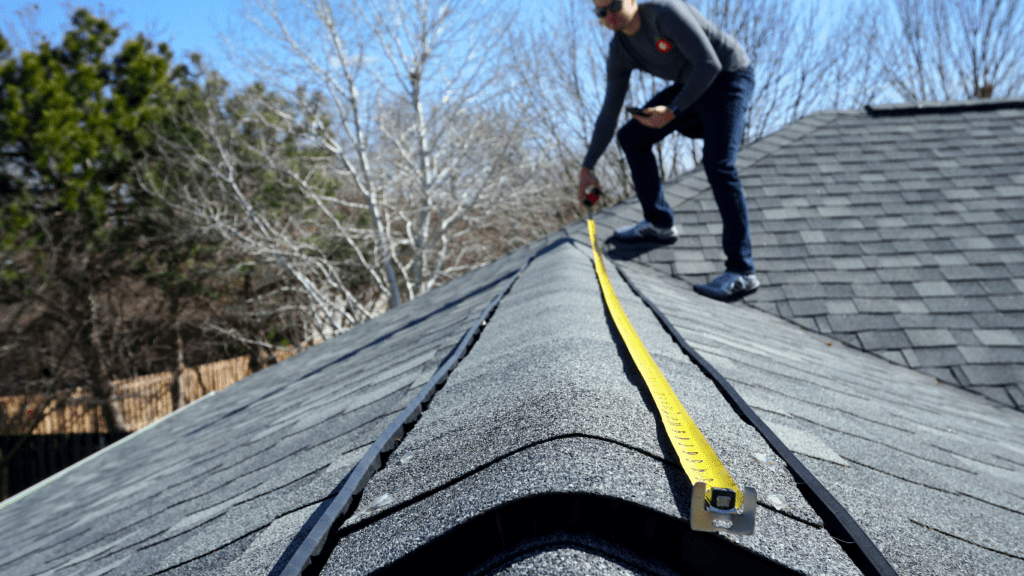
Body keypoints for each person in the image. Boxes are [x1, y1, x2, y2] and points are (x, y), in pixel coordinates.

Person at [579, 0, 759, 300]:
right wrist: (588, 168)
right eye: (601, 12)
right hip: (692, 85)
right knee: (632, 136)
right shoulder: (621, 50)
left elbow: (709, 63)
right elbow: (609, 111)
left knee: (719, 165)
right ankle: (659, 224)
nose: (609, 15)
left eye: (614, 5)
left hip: (729, 76)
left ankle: (742, 271)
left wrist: (674, 110)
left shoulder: (665, 14)